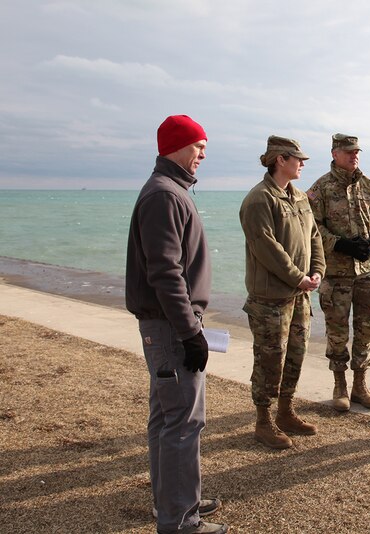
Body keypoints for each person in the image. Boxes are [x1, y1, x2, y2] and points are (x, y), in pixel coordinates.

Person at [126, 115, 228, 534]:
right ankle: (179, 521)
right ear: (175, 146)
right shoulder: (165, 195)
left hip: (166, 325)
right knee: (183, 424)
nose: (203, 153)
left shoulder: (171, 190)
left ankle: (175, 501)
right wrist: (190, 333)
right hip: (171, 328)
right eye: (197, 146)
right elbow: (166, 273)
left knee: (167, 420)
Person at [240, 135, 326, 449]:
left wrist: (317, 271)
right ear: (280, 159)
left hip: (299, 295)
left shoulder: (300, 197)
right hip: (270, 300)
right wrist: (297, 277)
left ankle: (286, 412)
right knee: (269, 360)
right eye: (298, 158)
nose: (302, 164)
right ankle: (263, 422)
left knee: (296, 355)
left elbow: (314, 237)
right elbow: (266, 248)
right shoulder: (259, 199)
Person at [306, 134, 370, 412]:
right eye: (347, 151)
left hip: (367, 273)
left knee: (367, 331)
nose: (354, 156)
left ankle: (360, 385)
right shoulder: (320, 189)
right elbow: (312, 227)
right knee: (337, 332)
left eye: (356, 151)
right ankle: (340, 385)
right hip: (337, 274)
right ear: (334, 153)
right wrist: (339, 243)